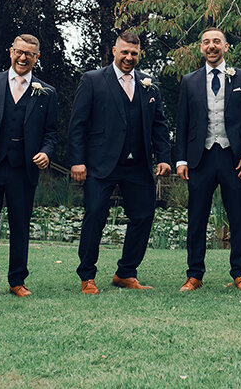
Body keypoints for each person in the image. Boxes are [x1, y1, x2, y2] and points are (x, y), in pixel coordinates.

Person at [68, 32, 171, 294]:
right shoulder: (92, 80)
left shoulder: (149, 84)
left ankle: (126, 272)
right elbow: (78, 124)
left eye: (134, 53)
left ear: (139, 54)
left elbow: (159, 124)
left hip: (138, 165)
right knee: (95, 217)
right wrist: (77, 161)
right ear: (114, 51)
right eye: (124, 52)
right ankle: (87, 276)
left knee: (144, 215)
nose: (129, 57)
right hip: (101, 164)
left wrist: (164, 157)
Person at [0, 34, 58, 300]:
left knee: (20, 226)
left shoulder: (46, 91)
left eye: (29, 54)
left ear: (37, 58)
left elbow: (51, 133)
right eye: (19, 52)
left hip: (23, 169)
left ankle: (17, 281)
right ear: (11, 52)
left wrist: (45, 153)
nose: (23, 57)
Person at [174, 28, 241, 291]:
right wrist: (180, 160)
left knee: (237, 217)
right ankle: (194, 274)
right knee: (197, 218)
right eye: (206, 43)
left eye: (216, 42)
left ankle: (240, 273)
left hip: (233, 158)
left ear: (225, 46)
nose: (211, 47)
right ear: (201, 48)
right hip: (200, 158)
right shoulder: (189, 81)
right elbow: (183, 122)